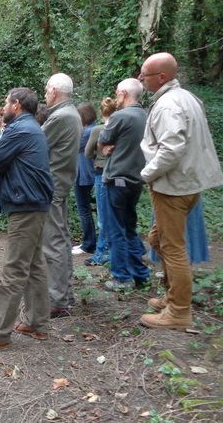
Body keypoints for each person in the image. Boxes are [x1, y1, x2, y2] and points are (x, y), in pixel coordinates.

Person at [139, 53, 223, 329]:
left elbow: (171, 150)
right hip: (187, 183)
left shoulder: (169, 105)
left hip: (173, 187)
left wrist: (146, 174)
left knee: (171, 247)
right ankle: (172, 295)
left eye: (145, 74)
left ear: (161, 77)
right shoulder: (187, 98)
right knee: (158, 239)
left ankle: (178, 311)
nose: (140, 79)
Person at [0, 88, 54, 353]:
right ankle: (37, 322)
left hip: (25, 204)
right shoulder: (32, 127)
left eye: (6, 102)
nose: (3, 107)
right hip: (34, 203)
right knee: (35, 264)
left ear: (16, 105)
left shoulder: (18, 130)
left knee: (14, 269)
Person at [98, 78, 150, 291]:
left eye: (117, 93)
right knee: (129, 227)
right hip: (136, 179)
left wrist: (109, 145)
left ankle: (121, 278)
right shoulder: (145, 115)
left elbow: (103, 138)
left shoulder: (120, 116)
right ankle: (140, 275)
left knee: (115, 230)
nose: (115, 97)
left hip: (117, 178)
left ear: (124, 93)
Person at [41, 74, 82, 318]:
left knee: (53, 241)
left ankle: (57, 300)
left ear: (55, 90)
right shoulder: (72, 114)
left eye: (46, 90)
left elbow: (35, 142)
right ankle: (64, 294)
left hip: (52, 186)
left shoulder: (60, 116)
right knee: (62, 239)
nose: (45, 94)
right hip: (61, 183)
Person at [83, 97, 118, 266]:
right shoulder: (122, 127)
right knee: (117, 214)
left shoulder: (98, 129)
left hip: (101, 172)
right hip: (120, 173)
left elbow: (88, 152)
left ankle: (101, 254)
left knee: (103, 216)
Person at [72, 103, 97, 255]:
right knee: (87, 209)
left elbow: (73, 145)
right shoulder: (90, 129)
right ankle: (90, 241)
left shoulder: (87, 132)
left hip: (84, 174)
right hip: (86, 173)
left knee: (84, 210)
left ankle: (88, 244)